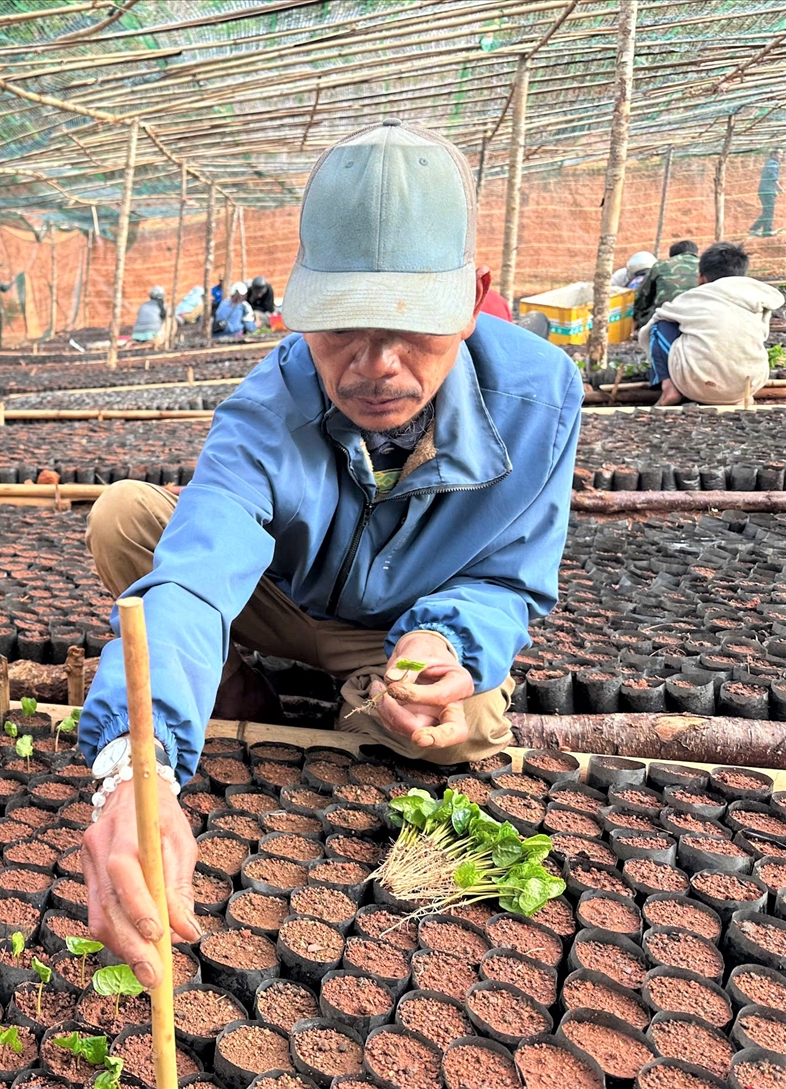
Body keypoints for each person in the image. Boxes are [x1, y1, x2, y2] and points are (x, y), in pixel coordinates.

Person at [77, 120, 581, 986]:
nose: (375, 365)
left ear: (471, 299)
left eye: (413, 326)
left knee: (455, 732)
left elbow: (508, 573)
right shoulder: (265, 408)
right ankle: (238, 689)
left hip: (392, 630)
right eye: (341, 326)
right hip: (276, 598)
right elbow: (196, 580)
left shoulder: (541, 397)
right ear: (298, 310)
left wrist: (447, 643)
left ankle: (368, 700)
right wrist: (135, 765)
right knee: (127, 518)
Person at [644, 241, 783, 406]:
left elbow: (655, 319)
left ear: (701, 277)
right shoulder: (758, 297)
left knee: (660, 325)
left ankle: (669, 388)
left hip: (698, 385)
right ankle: (738, 396)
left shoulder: (694, 297)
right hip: (749, 383)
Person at [632, 240, 699, 329]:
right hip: (699, 316)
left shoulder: (661, 265)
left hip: (665, 317)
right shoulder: (706, 265)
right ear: (695, 253)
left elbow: (642, 296)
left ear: (672, 256)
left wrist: (636, 318)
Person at [751, 150, 780, 237]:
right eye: (780, 154)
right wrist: (780, 189)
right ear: (773, 154)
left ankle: (758, 229)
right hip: (767, 191)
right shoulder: (773, 164)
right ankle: (765, 231)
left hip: (766, 190)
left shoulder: (768, 163)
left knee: (767, 211)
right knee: (769, 211)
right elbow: (773, 178)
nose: (781, 156)